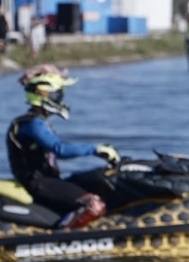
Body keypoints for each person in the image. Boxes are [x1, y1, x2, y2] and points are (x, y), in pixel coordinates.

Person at [6, 65, 119, 229]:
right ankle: (61, 239)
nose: (61, 100)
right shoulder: (32, 123)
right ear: (42, 94)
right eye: (57, 95)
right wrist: (96, 149)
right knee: (93, 204)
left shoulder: (39, 121)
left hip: (48, 180)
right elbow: (59, 149)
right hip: (39, 182)